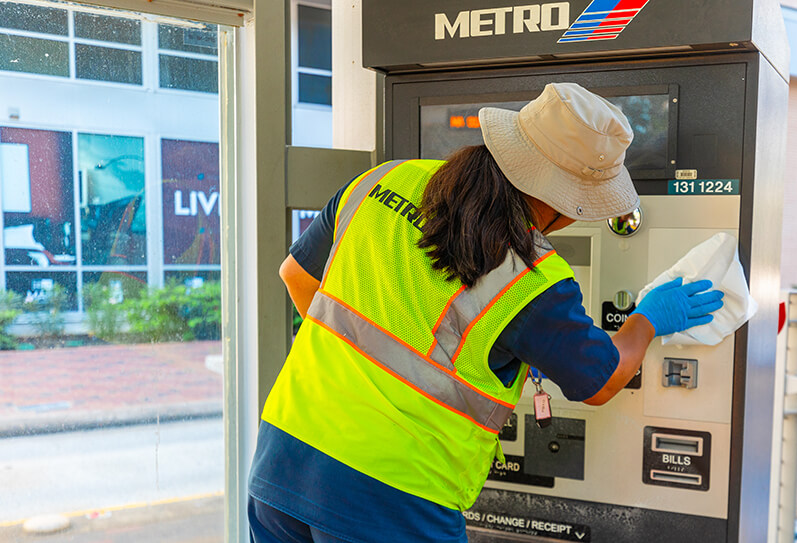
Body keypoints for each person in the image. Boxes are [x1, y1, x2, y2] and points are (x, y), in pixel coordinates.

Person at [248, 82, 725, 543]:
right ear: (563, 199)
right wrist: (648, 319)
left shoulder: (383, 180)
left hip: (284, 456)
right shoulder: (532, 276)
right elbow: (603, 381)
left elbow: (297, 276)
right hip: (394, 492)